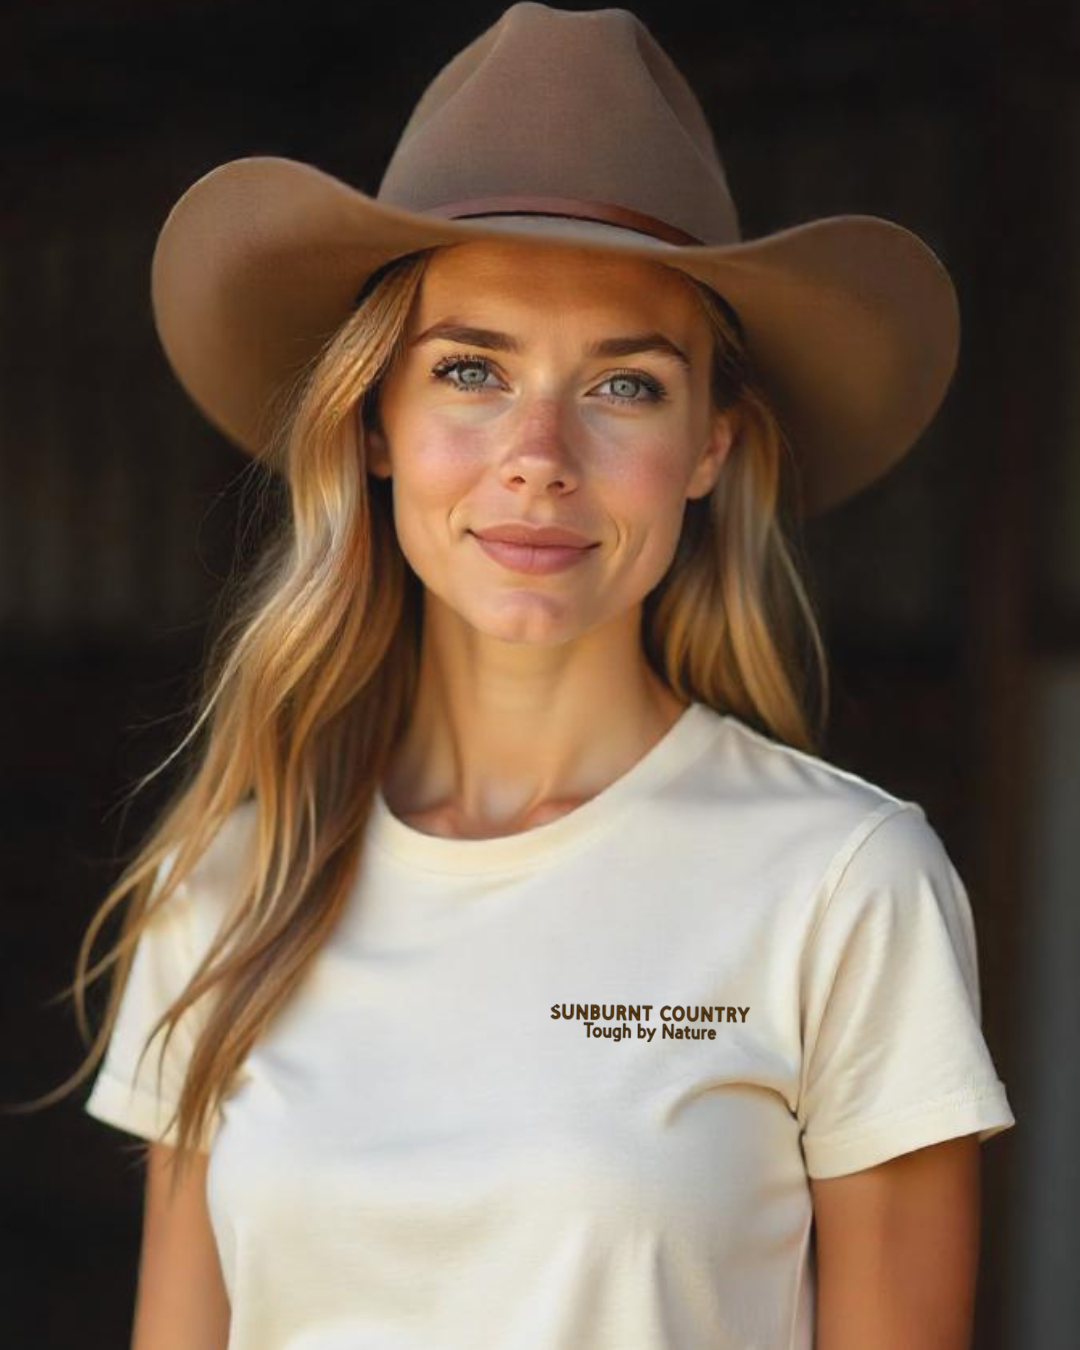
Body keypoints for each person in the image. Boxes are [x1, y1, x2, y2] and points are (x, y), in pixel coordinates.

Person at [55, 3, 1014, 1347]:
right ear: (374, 420)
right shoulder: (224, 885)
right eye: (469, 370)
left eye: (624, 386)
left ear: (710, 448)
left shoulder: (843, 883)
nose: (539, 452)